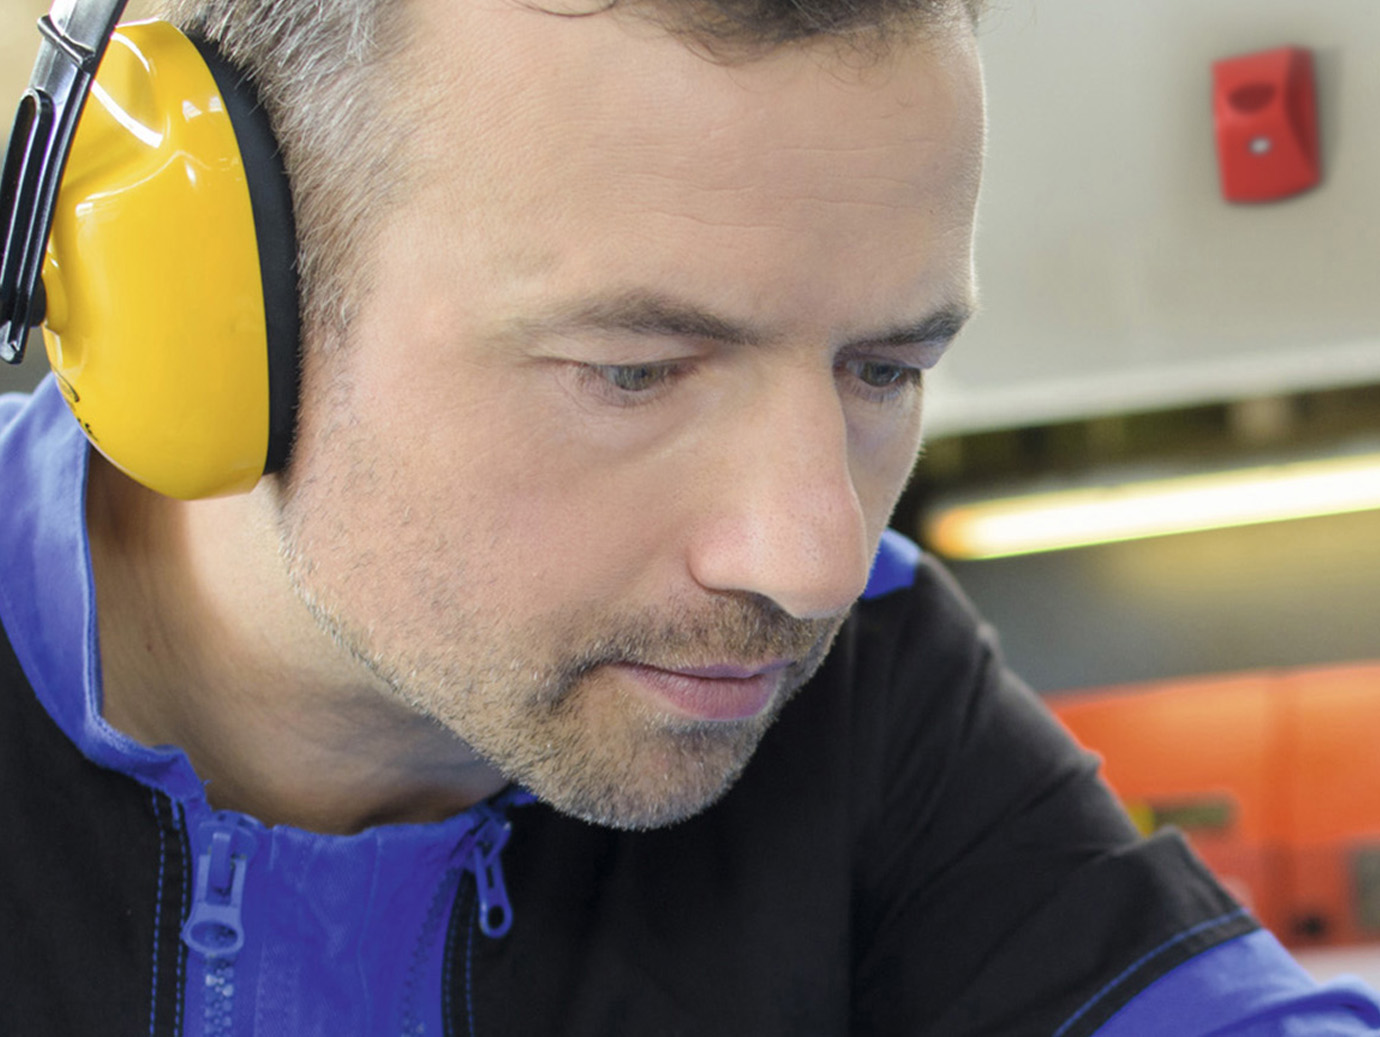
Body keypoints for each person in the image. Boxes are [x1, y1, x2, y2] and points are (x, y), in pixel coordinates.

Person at [1, 0, 1378, 1033]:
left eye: (884, 370)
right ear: (201, 308)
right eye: (634, 371)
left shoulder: (875, 693)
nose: (816, 560)